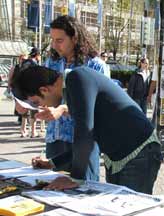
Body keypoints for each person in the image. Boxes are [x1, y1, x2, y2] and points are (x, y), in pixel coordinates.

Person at [11, 65, 162, 195]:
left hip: (139, 152)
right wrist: (52, 163)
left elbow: (85, 132)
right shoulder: (73, 87)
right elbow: (89, 136)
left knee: (131, 215)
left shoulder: (77, 77)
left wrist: (75, 178)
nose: (42, 107)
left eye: (38, 102)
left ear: (44, 89)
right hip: (121, 156)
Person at [32, 15, 107, 178]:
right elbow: (46, 95)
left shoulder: (95, 65)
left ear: (74, 38)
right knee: (51, 190)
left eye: (59, 40)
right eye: (52, 40)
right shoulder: (50, 63)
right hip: (54, 138)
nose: (54, 45)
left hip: (83, 140)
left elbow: (96, 108)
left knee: (83, 191)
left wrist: (61, 109)